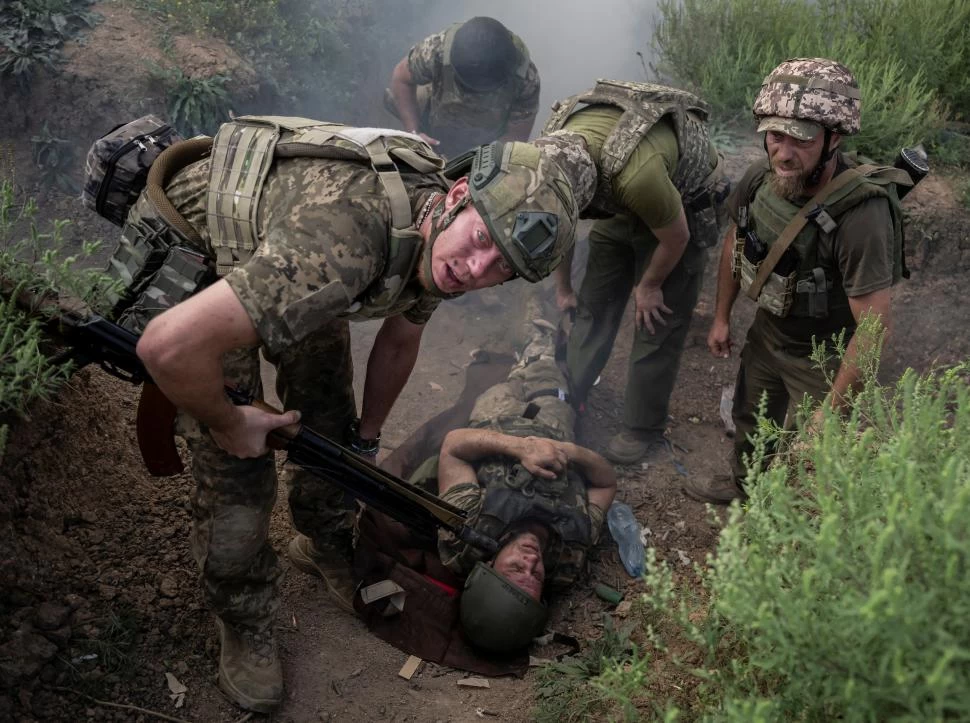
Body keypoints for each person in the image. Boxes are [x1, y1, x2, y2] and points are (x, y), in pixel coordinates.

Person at [107, 117, 581, 713]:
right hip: (206, 258)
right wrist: (231, 423)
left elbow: (401, 338)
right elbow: (166, 347)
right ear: (458, 197)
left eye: (501, 268)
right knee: (240, 473)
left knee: (327, 414)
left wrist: (365, 440)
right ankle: (243, 611)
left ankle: (324, 537)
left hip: (286, 257)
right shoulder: (349, 242)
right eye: (482, 240)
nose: (478, 270)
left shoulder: (443, 240)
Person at [682, 58, 912, 504]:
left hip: (822, 355)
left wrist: (832, 410)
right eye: (774, 135)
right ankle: (745, 487)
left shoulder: (861, 216)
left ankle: (790, 535)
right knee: (752, 419)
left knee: (811, 461)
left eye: (801, 140)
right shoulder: (759, 180)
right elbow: (736, 242)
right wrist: (722, 316)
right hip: (768, 334)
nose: (783, 153)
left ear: (834, 139)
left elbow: (875, 327)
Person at [343, 315, 617, 656]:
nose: (531, 562)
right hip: (553, 425)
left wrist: (519, 447)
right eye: (535, 575)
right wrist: (567, 451)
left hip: (496, 419)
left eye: (516, 567)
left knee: (507, 371)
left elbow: (454, 446)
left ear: (488, 567)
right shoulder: (569, 554)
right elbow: (606, 483)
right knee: (549, 368)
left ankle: (524, 328)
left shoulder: (466, 532)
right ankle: (547, 329)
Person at [541, 79, 729, 465]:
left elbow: (676, 237)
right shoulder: (545, 162)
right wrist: (563, 289)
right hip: (620, 200)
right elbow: (558, 225)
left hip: (683, 205)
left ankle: (641, 426)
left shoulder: (635, 176)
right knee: (595, 303)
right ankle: (569, 397)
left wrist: (650, 285)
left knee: (655, 319)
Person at [385, 16, 541, 158]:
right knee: (399, 98)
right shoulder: (437, 49)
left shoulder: (525, 79)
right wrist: (414, 133)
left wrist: (485, 163)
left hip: (486, 137)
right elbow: (401, 78)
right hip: (436, 109)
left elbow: (515, 137)